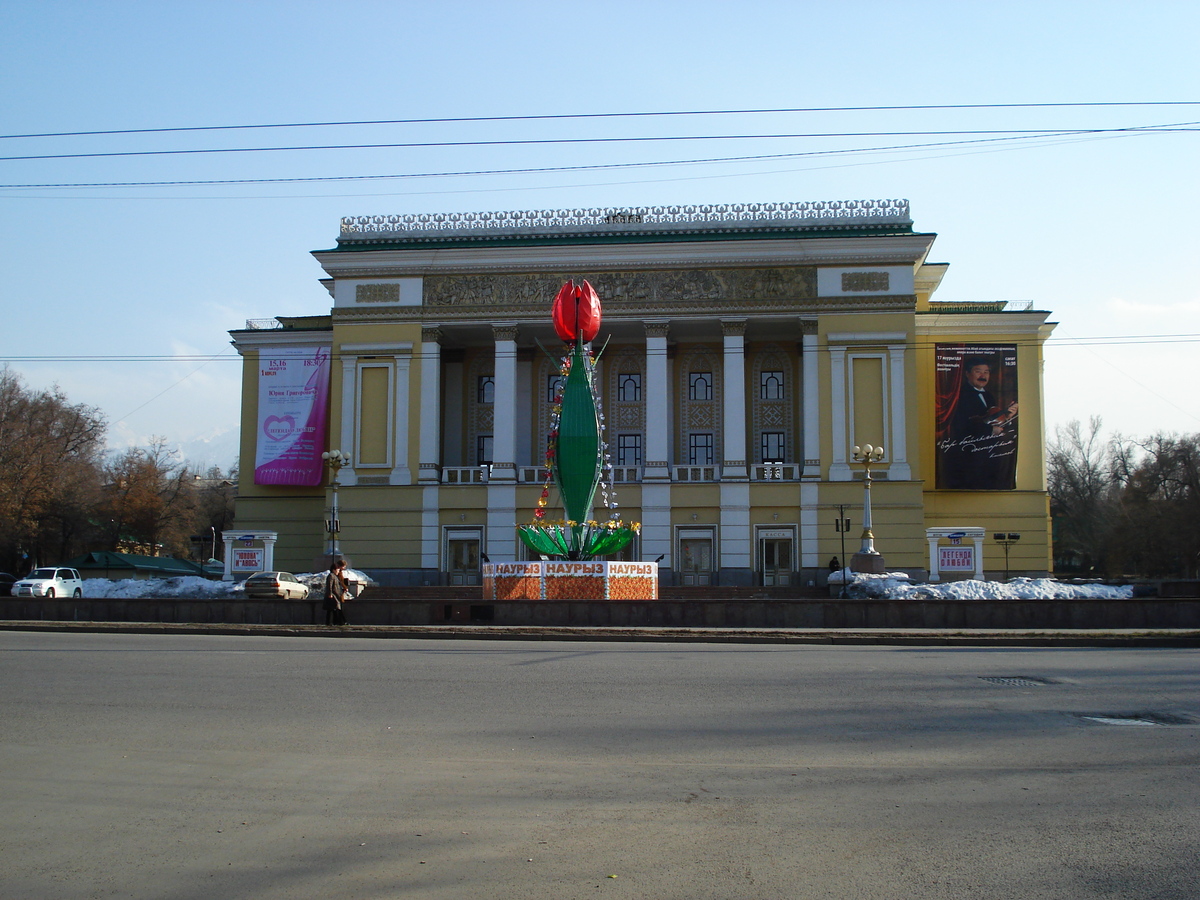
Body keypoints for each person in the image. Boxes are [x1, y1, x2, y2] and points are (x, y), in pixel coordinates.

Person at [941, 357, 1018, 490]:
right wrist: (990, 430)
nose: (983, 376)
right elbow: (961, 424)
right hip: (967, 457)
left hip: (987, 457)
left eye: (986, 372)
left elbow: (994, 423)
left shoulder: (989, 396)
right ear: (967, 374)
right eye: (978, 371)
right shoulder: (959, 396)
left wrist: (1007, 417)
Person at [323, 558, 349, 626]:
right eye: (337, 569)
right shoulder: (331, 576)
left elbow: (339, 584)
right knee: (334, 609)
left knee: (333, 609)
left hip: (336, 594)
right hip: (333, 595)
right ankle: (336, 622)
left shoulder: (335, 576)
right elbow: (330, 585)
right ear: (334, 569)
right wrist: (330, 593)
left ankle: (335, 622)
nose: (339, 571)